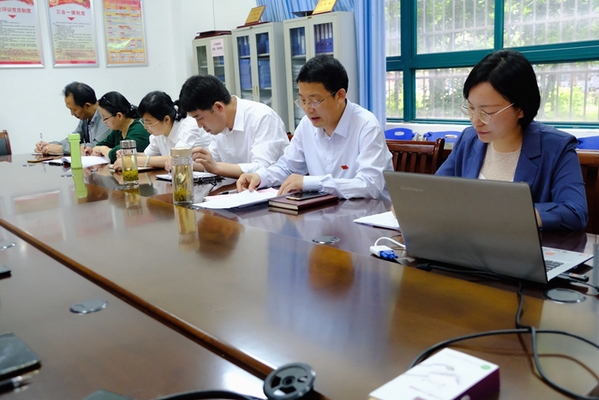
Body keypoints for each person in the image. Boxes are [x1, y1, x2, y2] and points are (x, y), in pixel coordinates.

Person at [436, 49, 588, 231]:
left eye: (487, 112)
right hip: (468, 243)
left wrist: (511, 214)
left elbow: (575, 212)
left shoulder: (556, 147)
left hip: (523, 247)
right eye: (470, 108)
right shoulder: (468, 139)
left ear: (521, 109)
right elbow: (436, 191)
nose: (476, 120)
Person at [236, 55, 393, 199]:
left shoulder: (366, 126)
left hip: (369, 214)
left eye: (315, 101)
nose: (307, 109)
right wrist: (260, 177)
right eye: (303, 100)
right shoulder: (307, 124)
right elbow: (287, 167)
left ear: (340, 95)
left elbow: (369, 185)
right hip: (327, 211)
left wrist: (311, 183)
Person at [178, 74, 289, 178]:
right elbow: (213, 162)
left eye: (200, 118)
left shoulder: (262, 117)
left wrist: (215, 167)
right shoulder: (219, 125)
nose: (199, 125)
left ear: (218, 107)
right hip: (237, 188)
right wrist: (183, 163)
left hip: (272, 189)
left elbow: (263, 168)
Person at [111, 91, 211, 171]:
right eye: (143, 122)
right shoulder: (158, 133)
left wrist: (133, 161)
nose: (145, 127)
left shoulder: (189, 126)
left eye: (149, 123)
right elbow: (148, 155)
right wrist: (130, 155)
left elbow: (176, 159)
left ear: (166, 119)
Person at [35, 82, 111, 155]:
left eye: (74, 109)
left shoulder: (106, 115)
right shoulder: (86, 117)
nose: (72, 114)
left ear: (87, 106)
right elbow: (74, 139)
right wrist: (49, 146)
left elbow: (97, 146)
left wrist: (60, 149)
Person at [87, 92, 150, 164]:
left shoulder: (139, 129)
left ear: (119, 116)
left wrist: (103, 149)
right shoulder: (118, 130)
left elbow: (120, 154)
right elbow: (103, 144)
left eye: (105, 118)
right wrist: (95, 149)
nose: (104, 122)